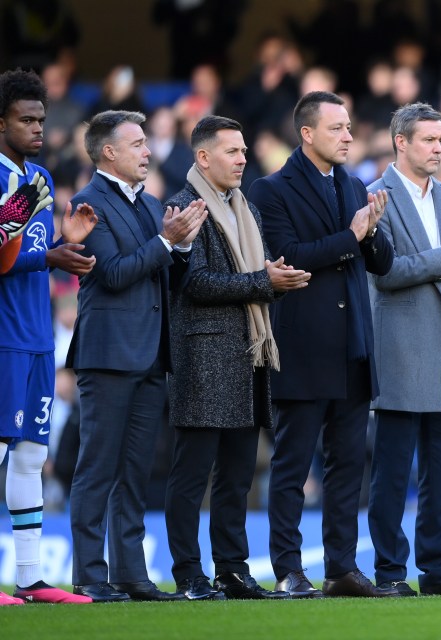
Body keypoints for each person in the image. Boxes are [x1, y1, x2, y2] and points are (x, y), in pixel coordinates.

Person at [248, 91, 396, 598]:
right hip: (304, 346)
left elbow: (380, 262)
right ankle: (289, 568)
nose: (349, 136)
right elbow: (288, 258)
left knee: (348, 466)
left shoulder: (355, 186)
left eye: (350, 127)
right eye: (337, 128)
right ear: (307, 133)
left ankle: (341, 568)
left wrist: (371, 234)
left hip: (353, 347)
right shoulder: (271, 190)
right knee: (292, 466)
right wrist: (352, 238)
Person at [164, 115, 310, 601]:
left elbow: (258, 279)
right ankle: (188, 574)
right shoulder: (185, 207)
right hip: (205, 360)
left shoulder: (245, 208)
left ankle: (232, 570)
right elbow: (196, 283)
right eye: (232, 151)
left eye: (245, 150)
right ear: (203, 157)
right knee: (192, 476)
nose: (243, 158)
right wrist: (264, 282)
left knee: (236, 476)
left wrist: (277, 279)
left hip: (248, 356)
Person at [67, 110, 206, 602]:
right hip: (108, 355)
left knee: (134, 470)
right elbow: (116, 273)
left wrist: (182, 248)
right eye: (138, 144)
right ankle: (88, 574)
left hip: (151, 354)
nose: (148, 151)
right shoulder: (88, 203)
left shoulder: (150, 205)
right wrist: (168, 241)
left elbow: (163, 274)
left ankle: (131, 575)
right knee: (97, 467)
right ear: (110, 152)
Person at [366, 102, 441, 597]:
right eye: (429, 140)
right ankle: (390, 572)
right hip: (402, 349)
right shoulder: (375, 196)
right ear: (401, 142)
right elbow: (387, 274)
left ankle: (439, 570)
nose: (439, 147)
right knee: (393, 473)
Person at [0, 68, 97, 606]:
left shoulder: (36, 175)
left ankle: (32, 578)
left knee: (31, 457)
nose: (38, 127)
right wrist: (47, 252)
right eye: (26, 119)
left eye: (41, 118)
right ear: (1, 122)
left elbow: (22, 253)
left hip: (36, 336)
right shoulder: (10, 181)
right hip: (3, 337)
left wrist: (67, 241)